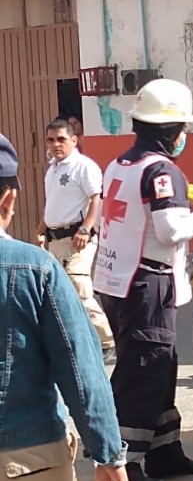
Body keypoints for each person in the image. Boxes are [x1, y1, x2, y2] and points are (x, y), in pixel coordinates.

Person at [0, 133, 128, 481]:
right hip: (30, 456)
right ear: (9, 200)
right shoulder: (35, 269)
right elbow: (80, 369)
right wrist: (108, 455)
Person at [93, 79, 193, 481]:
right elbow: (170, 230)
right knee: (144, 371)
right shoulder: (162, 170)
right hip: (145, 283)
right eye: (183, 127)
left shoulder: (120, 165)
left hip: (118, 281)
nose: (185, 135)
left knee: (160, 365)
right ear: (171, 130)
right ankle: (126, 463)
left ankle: (165, 450)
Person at [34, 118, 116, 364]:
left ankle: (106, 340)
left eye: (61, 139)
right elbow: (53, 205)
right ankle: (75, 341)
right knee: (58, 292)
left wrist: (85, 229)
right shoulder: (53, 169)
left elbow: (96, 199)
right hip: (55, 238)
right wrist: (40, 230)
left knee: (79, 290)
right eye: (50, 140)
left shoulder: (83, 166)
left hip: (77, 238)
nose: (55, 144)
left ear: (73, 140)